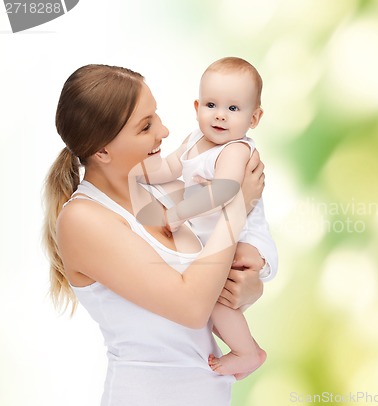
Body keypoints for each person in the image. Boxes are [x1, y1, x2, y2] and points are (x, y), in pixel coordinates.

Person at [42, 64, 270, 406]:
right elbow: (192, 307)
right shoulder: (83, 219)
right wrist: (238, 205)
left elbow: (213, 274)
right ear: (102, 151)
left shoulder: (162, 193)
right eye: (146, 126)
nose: (164, 131)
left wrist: (250, 287)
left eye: (157, 115)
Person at [142, 57, 277, 380]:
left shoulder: (235, 150)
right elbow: (170, 168)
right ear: (197, 105)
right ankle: (239, 344)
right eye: (212, 104)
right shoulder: (192, 142)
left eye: (234, 109)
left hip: (246, 239)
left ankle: (248, 352)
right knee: (213, 299)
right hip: (218, 238)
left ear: (254, 117)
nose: (220, 115)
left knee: (215, 292)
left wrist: (179, 213)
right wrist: (141, 170)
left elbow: (225, 190)